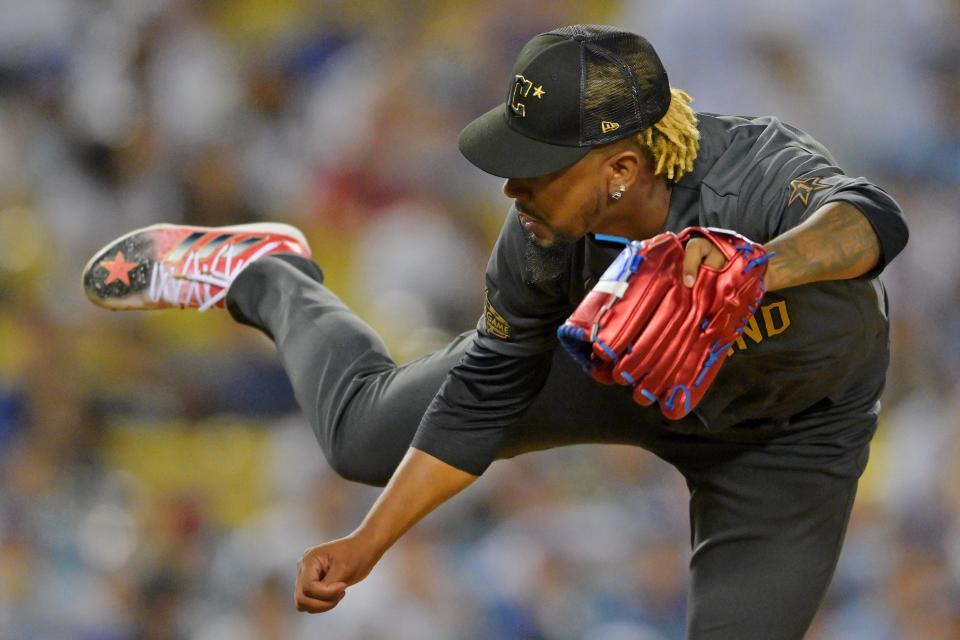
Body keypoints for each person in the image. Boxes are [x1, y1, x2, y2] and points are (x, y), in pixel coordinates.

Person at [83, 25, 908, 640]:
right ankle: (265, 275)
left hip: (788, 434)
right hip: (610, 367)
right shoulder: (541, 236)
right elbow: (485, 392)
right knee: (362, 440)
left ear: (621, 169)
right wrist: (370, 541)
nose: (512, 183)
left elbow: (871, 222)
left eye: (539, 163)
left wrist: (756, 269)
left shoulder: (747, 169)